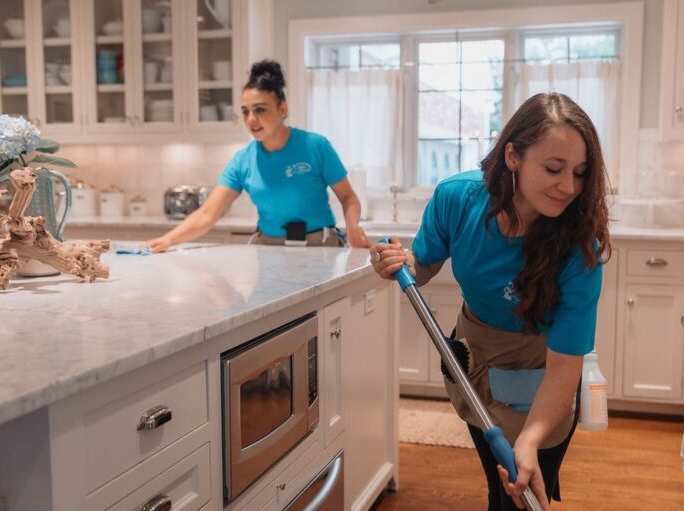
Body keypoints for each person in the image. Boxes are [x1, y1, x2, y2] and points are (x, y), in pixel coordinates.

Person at [370, 92, 610, 510]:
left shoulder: (579, 249)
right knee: (497, 484)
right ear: (513, 156)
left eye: (580, 173)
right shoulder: (457, 198)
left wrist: (530, 440)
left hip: (543, 375)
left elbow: (564, 366)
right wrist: (398, 261)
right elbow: (423, 265)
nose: (569, 187)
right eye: (553, 169)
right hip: (475, 362)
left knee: (524, 493)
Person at [146, 60, 370, 252]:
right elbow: (207, 214)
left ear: (283, 109)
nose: (251, 119)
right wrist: (169, 239)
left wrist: (352, 227)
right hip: (268, 250)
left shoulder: (316, 146)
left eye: (260, 109)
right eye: (246, 112)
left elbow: (348, 197)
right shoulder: (243, 161)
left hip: (321, 248)